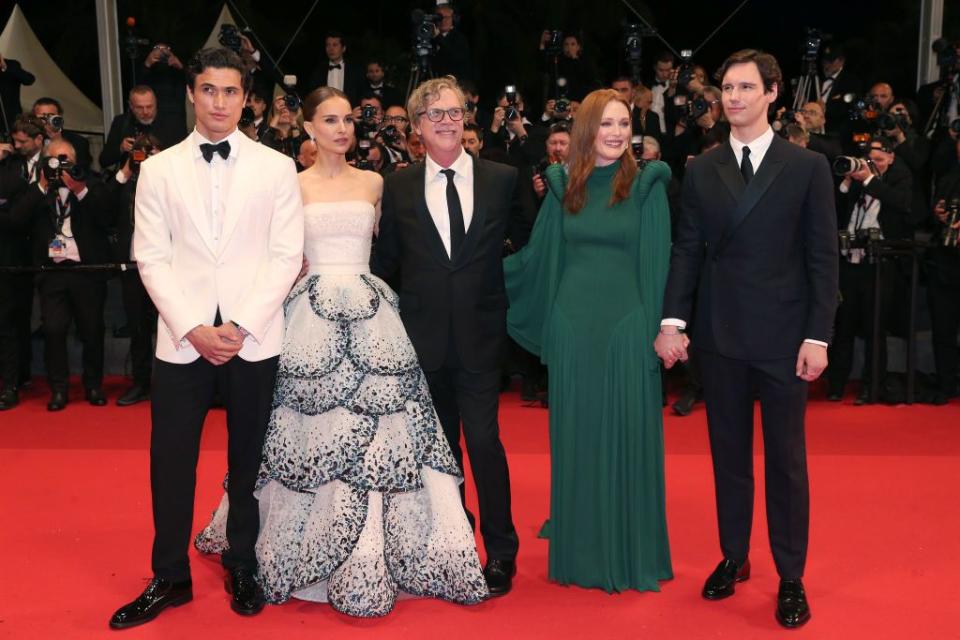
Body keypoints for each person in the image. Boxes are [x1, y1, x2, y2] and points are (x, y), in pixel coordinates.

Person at [195, 86, 488, 617]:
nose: (342, 129)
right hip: (308, 316)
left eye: (348, 119)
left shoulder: (377, 182)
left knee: (386, 429)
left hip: (372, 312)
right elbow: (272, 250)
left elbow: (393, 249)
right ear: (308, 128)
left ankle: (379, 551)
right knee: (307, 430)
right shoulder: (289, 183)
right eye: (329, 120)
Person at [109, 48, 305, 629]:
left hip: (254, 338)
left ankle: (243, 563)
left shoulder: (276, 166)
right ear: (192, 94)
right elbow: (150, 255)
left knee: (248, 462)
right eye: (209, 90)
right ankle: (169, 575)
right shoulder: (159, 168)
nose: (220, 102)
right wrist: (193, 327)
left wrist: (239, 325)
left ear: (246, 98)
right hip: (181, 339)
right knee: (170, 461)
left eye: (231, 91)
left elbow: (285, 255)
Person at [654, 49, 838, 629]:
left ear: (772, 94)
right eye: (726, 89)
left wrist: (819, 335)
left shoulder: (805, 167)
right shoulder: (703, 168)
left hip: (785, 338)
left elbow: (822, 259)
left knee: (785, 462)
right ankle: (733, 556)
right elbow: (687, 249)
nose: (731, 97)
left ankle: (791, 575)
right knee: (728, 458)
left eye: (745, 87)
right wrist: (673, 322)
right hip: (721, 334)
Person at [503, 88, 673, 592]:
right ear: (586, 131)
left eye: (624, 124)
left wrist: (658, 329)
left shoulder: (648, 186)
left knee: (626, 435)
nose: (618, 133)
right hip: (572, 327)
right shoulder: (561, 185)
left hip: (626, 329)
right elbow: (542, 256)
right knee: (576, 438)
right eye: (606, 124)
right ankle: (579, 549)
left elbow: (657, 264)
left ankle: (625, 548)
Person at [371, 76, 530, 596]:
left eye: (454, 112)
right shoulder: (395, 186)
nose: (446, 120)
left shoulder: (502, 178)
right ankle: (454, 545)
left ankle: (502, 551)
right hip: (422, 341)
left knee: (484, 442)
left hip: (482, 337)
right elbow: (387, 262)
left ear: (467, 119)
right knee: (440, 454)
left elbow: (529, 247)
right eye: (434, 113)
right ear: (417, 127)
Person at [9, 139, 113, 411]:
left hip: (87, 272)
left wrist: (80, 190)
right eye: (55, 160)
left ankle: (93, 385)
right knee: (54, 331)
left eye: (66, 160)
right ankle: (59, 389)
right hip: (51, 273)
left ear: (76, 161)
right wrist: (43, 186)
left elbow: (108, 217)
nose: (61, 166)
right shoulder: (37, 190)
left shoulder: (92, 184)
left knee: (92, 331)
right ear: (46, 163)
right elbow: (16, 220)